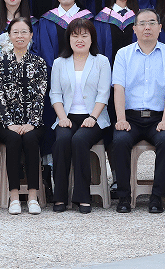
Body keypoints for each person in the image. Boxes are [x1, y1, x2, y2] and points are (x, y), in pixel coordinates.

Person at [110, 9, 165, 213]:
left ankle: (157, 197)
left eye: (152, 23)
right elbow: (119, 88)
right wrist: (121, 119)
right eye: (142, 23)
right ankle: (124, 197)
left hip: (158, 118)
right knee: (120, 141)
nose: (147, 27)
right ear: (134, 29)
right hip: (130, 118)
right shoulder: (123, 54)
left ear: (160, 28)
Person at [49, 19, 111, 213]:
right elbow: (55, 94)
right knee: (61, 141)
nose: (80, 40)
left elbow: (103, 94)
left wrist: (92, 117)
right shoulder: (60, 63)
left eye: (84, 35)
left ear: (92, 39)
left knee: (79, 140)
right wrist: (62, 118)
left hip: (94, 118)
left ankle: (83, 196)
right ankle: (60, 197)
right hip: (67, 116)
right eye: (75, 36)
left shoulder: (101, 61)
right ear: (68, 39)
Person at [0, 17, 47, 215]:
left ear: (31, 35)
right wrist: (9, 123)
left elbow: (40, 96)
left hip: (33, 122)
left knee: (30, 139)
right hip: (5, 123)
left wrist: (32, 122)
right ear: (9, 36)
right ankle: (14, 197)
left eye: (24, 32)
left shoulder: (39, 63)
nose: (20, 36)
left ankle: (32, 197)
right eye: (15, 32)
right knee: (13, 139)